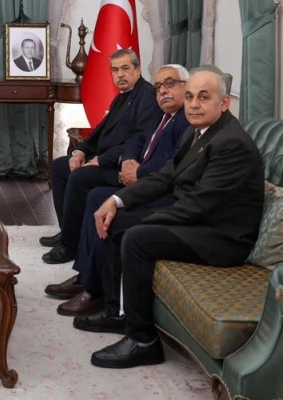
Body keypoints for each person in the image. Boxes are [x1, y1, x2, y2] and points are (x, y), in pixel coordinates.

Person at [79, 67, 264, 369]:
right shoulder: (197, 132)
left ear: (224, 102)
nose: (194, 104)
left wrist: (145, 220)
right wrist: (118, 200)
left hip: (222, 238)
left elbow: (199, 205)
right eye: (189, 97)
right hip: (199, 221)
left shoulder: (231, 143)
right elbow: (166, 177)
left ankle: (143, 341)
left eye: (203, 97)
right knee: (118, 220)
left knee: (136, 238)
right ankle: (118, 312)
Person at [46, 64, 191, 316]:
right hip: (132, 172)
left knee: (96, 195)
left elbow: (171, 163)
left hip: (157, 189)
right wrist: (127, 160)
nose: (163, 91)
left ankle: (94, 288)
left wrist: (137, 172)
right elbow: (137, 140)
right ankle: (86, 275)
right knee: (91, 192)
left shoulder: (187, 119)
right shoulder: (162, 113)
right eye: (159, 87)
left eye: (170, 84)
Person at [42, 49, 161, 264]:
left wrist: (102, 160)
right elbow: (100, 130)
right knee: (60, 167)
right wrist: (81, 150)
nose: (120, 75)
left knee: (79, 177)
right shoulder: (122, 97)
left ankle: (69, 246)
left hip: (121, 167)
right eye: (115, 70)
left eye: (125, 68)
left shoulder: (147, 97)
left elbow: (140, 140)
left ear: (138, 69)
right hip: (106, 160)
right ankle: (68, 230)